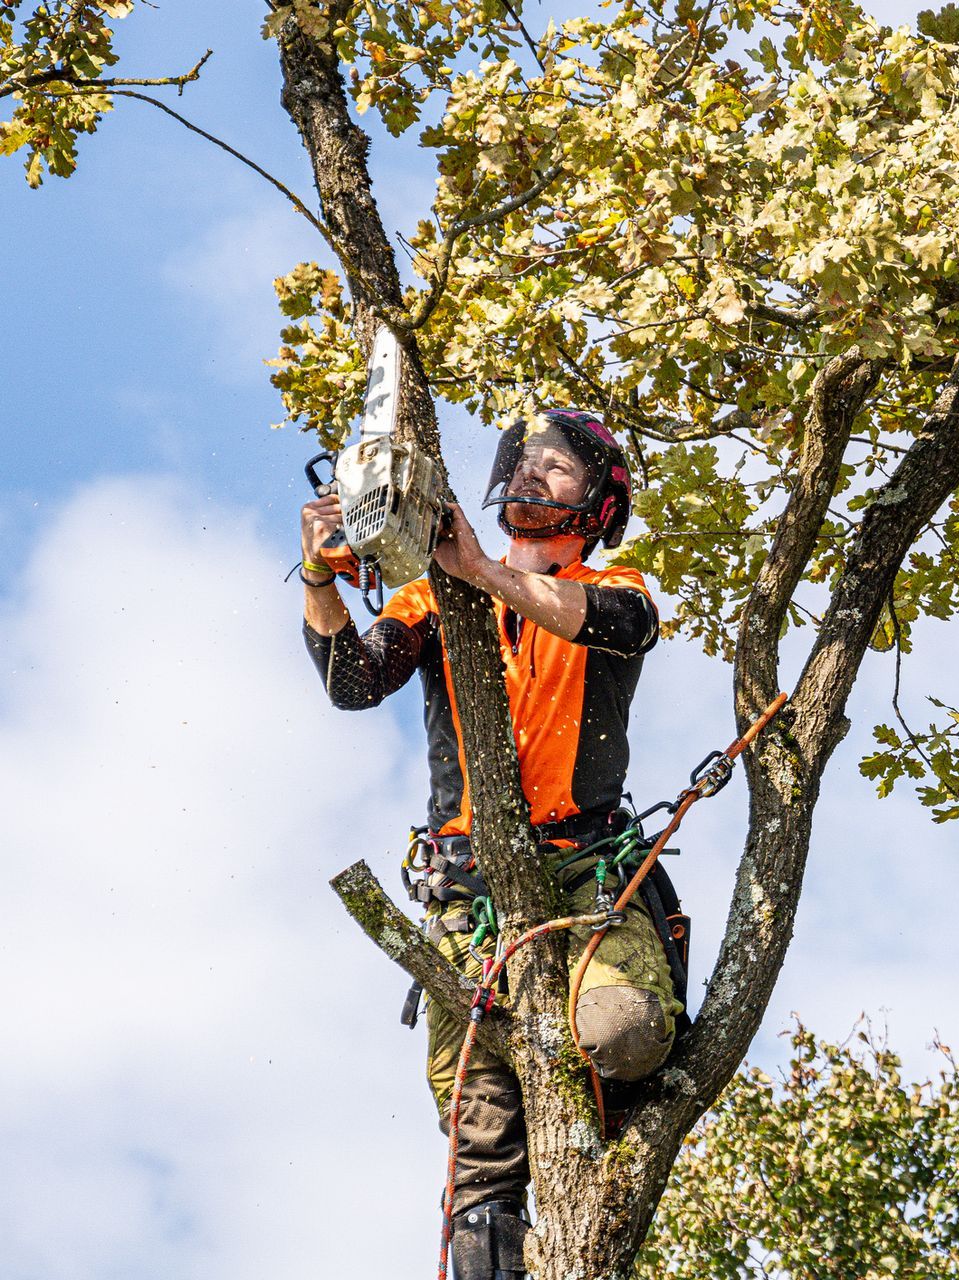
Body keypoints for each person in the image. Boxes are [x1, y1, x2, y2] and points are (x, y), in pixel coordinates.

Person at [297, 409, 671, 1279]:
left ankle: (600, 1124)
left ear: (598, 502)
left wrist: (481, 569)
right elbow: (353, 682)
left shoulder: (619, 585)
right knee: (478, 1139)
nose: (536, 474)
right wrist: (321, 573)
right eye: (527, 462)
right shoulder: (433, 600)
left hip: (588, 874)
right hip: (468, 891)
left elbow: (609, 624)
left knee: (622, 1029)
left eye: (560, 468)